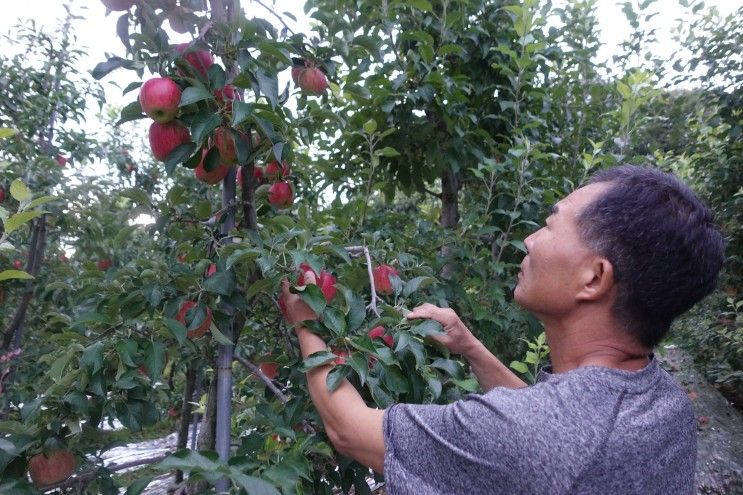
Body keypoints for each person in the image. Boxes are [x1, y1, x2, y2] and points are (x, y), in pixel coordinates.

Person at [279, 165, 725, 494]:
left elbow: (349, 430)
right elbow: (551, 430)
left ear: (593, 278)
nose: (530, 239)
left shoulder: (530, 435)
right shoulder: (665, 402)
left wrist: (306, 323)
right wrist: (471, 347)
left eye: (551, 225)